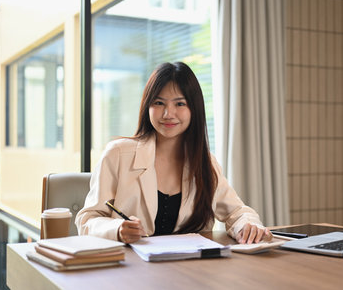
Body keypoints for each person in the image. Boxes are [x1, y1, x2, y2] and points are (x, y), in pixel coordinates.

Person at [75, 62, 272, 244]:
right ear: (147, 107)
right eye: (159, 103)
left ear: (194, 109)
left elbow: (237, 212)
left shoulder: (205, 162)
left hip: (190, 270)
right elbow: (87, 219)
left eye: (180, 104)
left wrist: (249, 226)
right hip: (132, 271)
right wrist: (117, 229)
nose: (168, 114)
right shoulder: (117, 154)